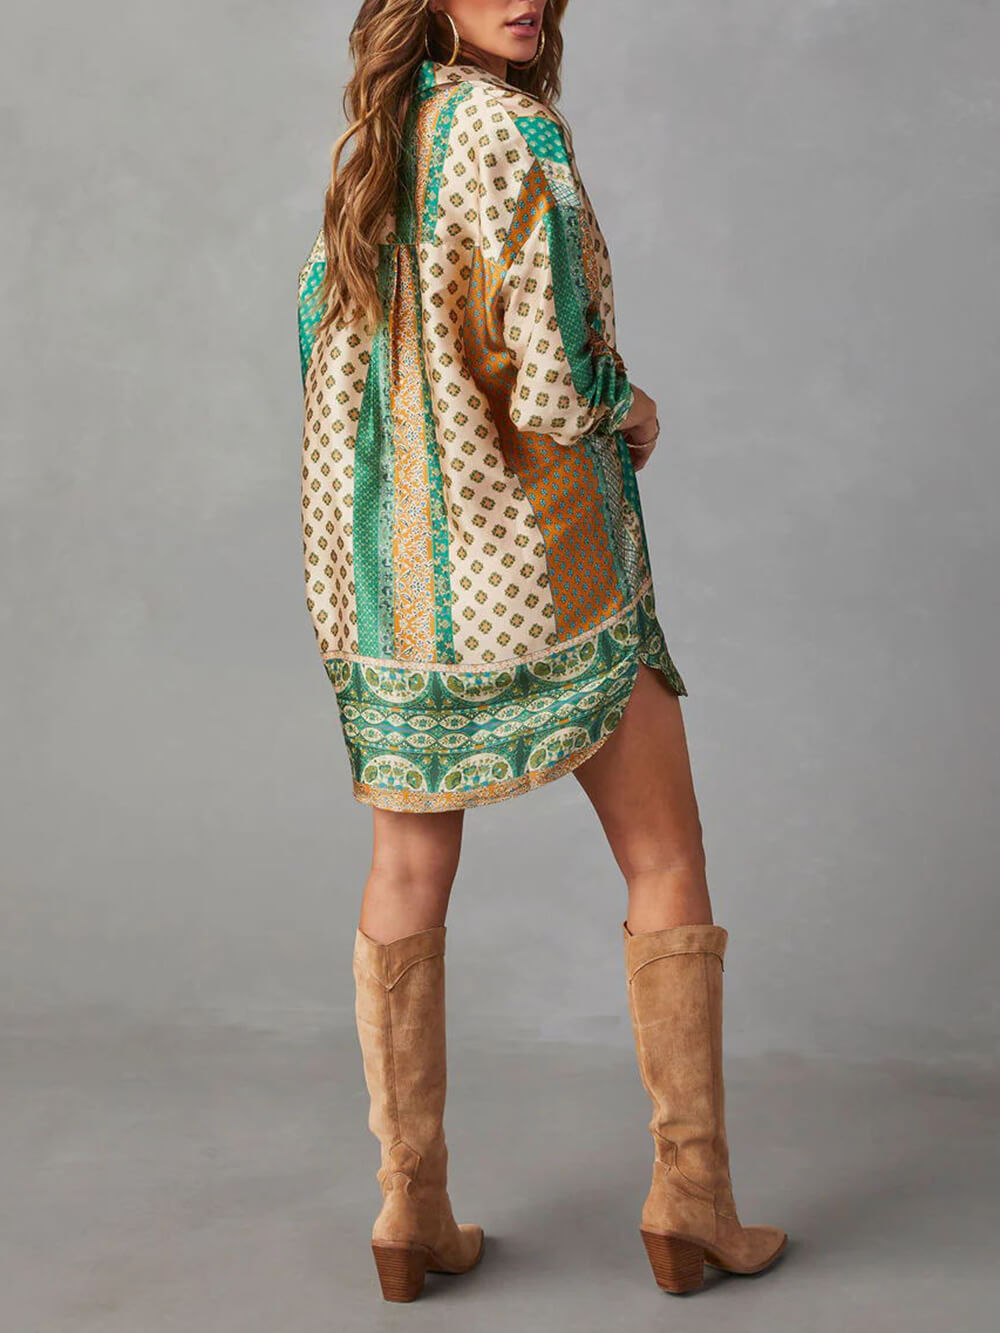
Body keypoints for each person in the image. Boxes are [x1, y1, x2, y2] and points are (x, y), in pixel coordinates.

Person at [296, 0, 787, 1302]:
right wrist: (634, 408)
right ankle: (692, 1198)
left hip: (395, 591)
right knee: (665, 854)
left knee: (407, 865)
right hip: (545, 571)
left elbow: (326, 352)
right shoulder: (513, 132)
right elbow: (558, 378)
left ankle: (410, 1207)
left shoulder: (385, 133)